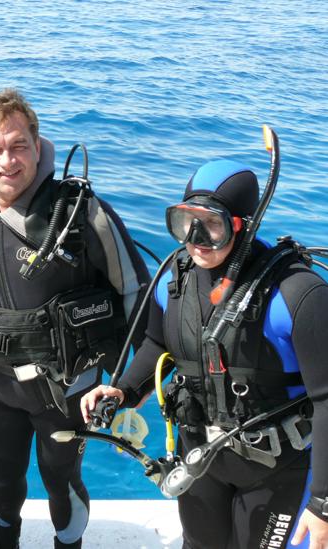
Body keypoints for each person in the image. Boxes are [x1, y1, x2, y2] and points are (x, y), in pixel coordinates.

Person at [0, 89, 150, 549]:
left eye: (18, 146)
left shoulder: (83, 214)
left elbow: (136, 294)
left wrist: (131, 384)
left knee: (61, 479)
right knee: (1, 474)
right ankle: (5, 542)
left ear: (37, 145)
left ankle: (68, 546)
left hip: (67, 388)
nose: (7, 161)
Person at [81, 158, 328, 548]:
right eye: (185, 221)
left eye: (211, 224)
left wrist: (322, 501)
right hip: (201, 455)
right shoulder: (173, 279)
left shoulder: (299, 295)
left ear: (241, 225)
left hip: (278, 469)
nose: (194, 237)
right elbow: (158, 344)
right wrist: (123, 390)